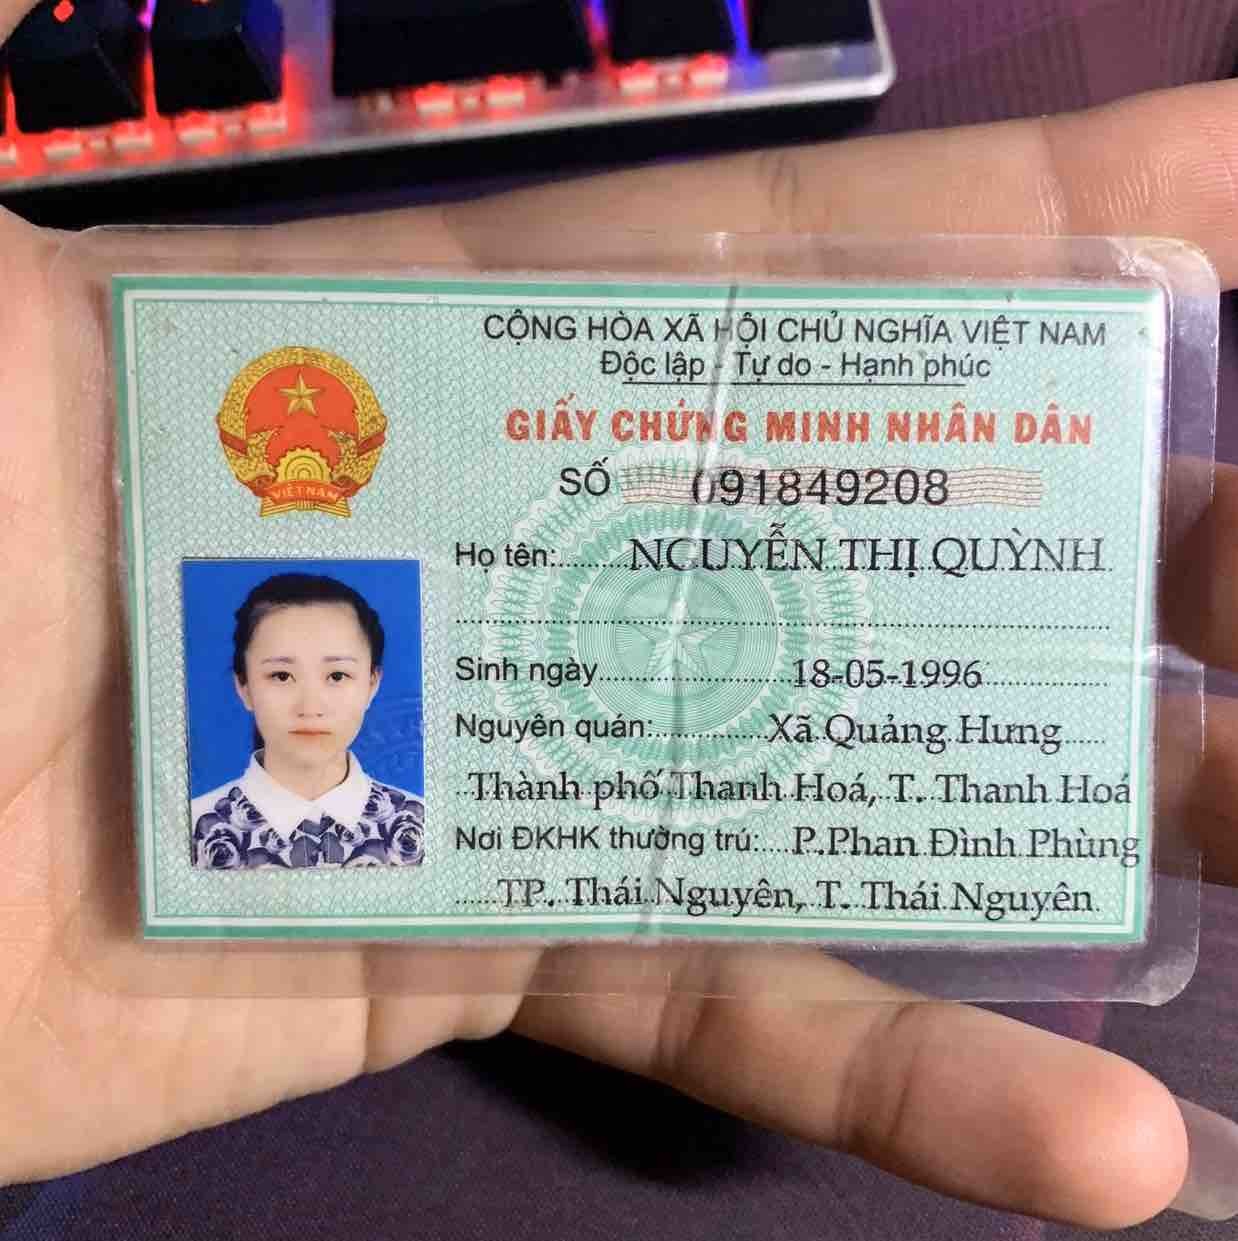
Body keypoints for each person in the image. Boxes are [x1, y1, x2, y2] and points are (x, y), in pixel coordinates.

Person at [4, 29, 1238, 1224]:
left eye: (335, 669)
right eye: (281, 671)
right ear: (236, 684)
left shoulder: (388, 821)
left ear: (378, 682)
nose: (311, 697)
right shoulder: (211, 832)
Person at [189, 572, 425, 870]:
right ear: (243, 686)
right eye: (281, 676)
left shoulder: (423, 826)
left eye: (337, 675)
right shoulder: (193, 830)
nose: (310, 707)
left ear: (372, 684)